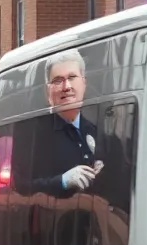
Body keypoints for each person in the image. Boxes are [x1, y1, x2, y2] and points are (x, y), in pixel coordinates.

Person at [27, 48, 102, 198]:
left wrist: (104, 175)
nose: (66, 86)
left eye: (72, 77)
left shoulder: (98, 133)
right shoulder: (32, 135)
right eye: (58, 80)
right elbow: (20, 188)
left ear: (84, 83)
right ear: (48, 91)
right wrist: (62, 181)